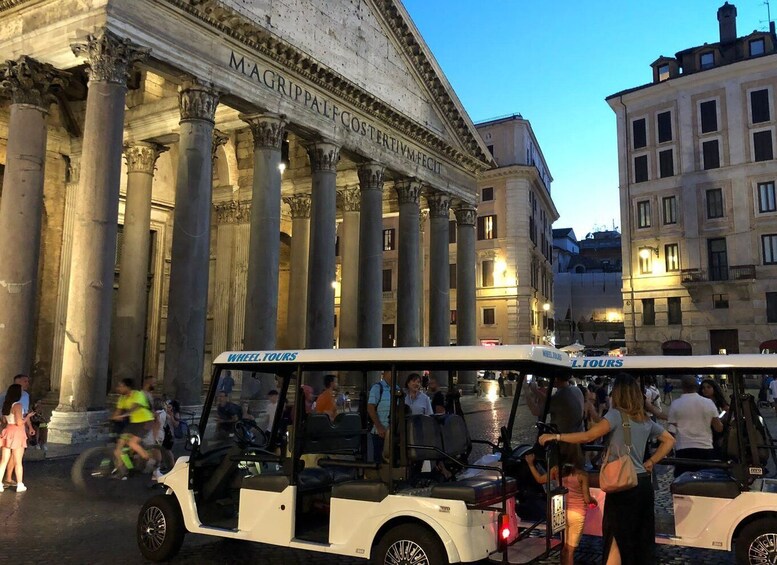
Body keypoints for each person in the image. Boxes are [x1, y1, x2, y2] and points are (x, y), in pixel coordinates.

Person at [539, 374, 675, 565]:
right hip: (643, 485)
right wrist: (651, 461)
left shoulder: (616, 415)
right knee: (640, 538)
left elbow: (588, 436)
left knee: (615, 535)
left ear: (618, 394)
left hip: (623, 486)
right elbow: (669, 440)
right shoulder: (644, 419)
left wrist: (557, 437)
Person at [524, 451, 596, 565]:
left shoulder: (556, 470)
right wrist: (594, 501)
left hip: (561, 511)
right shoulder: (582, 475)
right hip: (577, 514)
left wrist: (531, 464)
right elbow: (587, 500)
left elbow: (539, 479)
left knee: (564, 547)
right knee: (570, 551)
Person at [668, 374, 723, 476]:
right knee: (705, 480)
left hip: (683, 448)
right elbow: (718, 428)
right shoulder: (708, 403)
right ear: (697, 386)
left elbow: (672, 430)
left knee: (683, 481)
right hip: (705, 447)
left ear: (682, 387)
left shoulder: (676, 404)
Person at [528, 374, 585, 465]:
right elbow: (550, 401)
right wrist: (535, 391)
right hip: (577, 437)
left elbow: (536, 411)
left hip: (563, 443)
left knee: (541, 454)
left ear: (556, 379)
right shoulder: (575, 390)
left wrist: (526, 392)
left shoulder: (561, 396)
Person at [112, 378, 156, 477]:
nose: (118, 388)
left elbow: (134, 407)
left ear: (127, 387)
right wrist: (114, 417)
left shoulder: (138, 394)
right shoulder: (122, 398)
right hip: (134, 423)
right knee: (118, 448)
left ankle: (151, 460)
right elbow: (118, 411)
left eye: (121, 386)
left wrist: (123, 416)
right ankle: (124, 470)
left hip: (146, 421)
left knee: (132, 443)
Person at [0, 384, 34, 492]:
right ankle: (20, 484)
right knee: (18, 461)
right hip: (17, 432)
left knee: (3, 460)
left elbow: (4, 421)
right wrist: (27, 417)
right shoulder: (17, 405)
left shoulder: (6, 405)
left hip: (8, 431)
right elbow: (19, 422)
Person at [367, 370, 393, 464]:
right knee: (379, 461)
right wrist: (379, 427)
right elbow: (370, 407)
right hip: (380, 433)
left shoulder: (397, 388)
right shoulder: (378, 387)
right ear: (386, 372)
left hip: (392, 434)